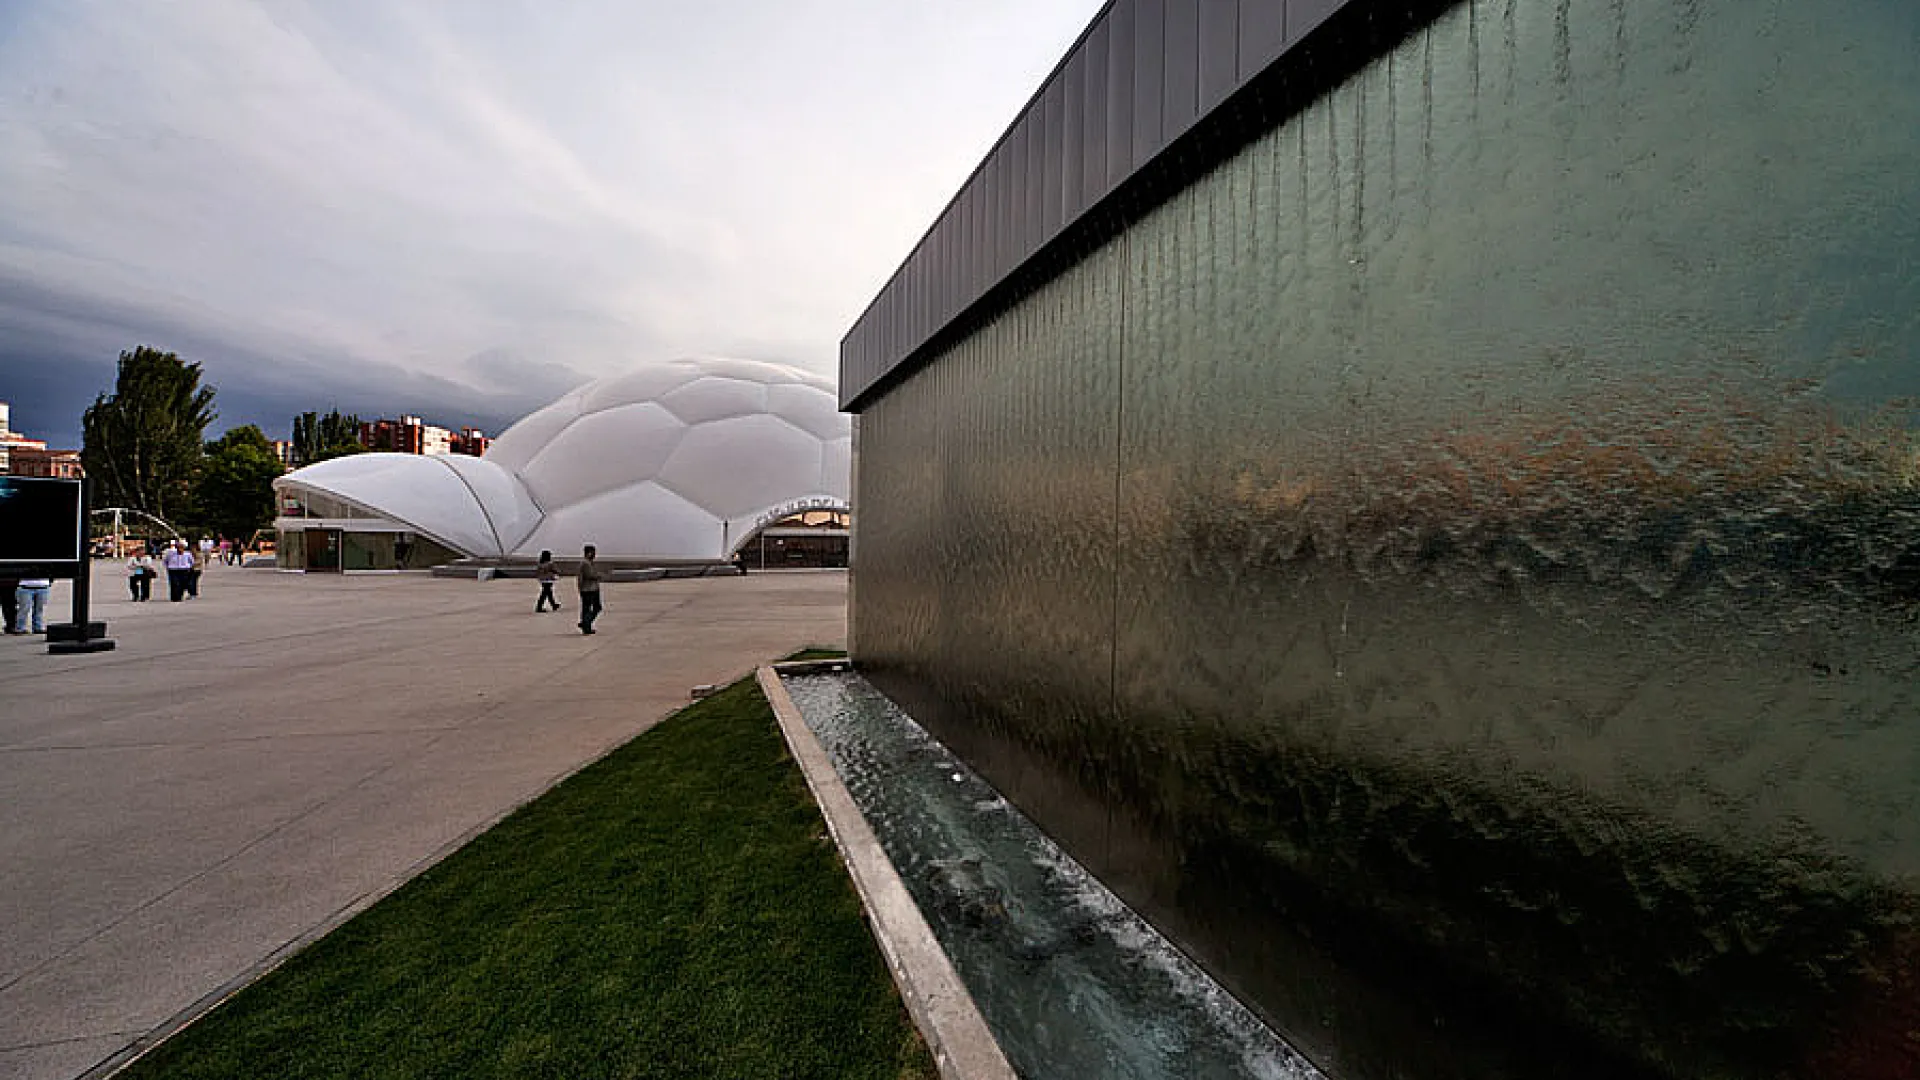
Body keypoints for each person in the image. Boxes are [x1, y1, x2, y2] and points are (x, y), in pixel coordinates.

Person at [576, 544, 603, 635]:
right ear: (589, 553)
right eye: (593, 552)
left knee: (587, 608)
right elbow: (590, 575)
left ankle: (585, 624)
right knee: (595, 607)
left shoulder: (587, 562)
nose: (595, 554)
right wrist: (599, 575)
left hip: (588, 588)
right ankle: (586, 624)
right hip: (590, 589)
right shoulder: (586, 563)